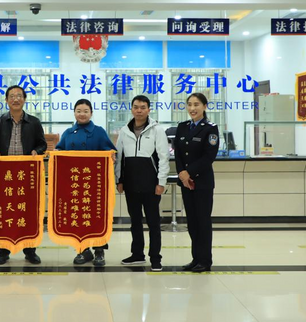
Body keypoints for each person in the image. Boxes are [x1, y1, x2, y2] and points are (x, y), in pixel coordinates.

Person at [0, 85, 47, 265]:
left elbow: (42, 144)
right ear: (6, 100)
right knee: (5, 210)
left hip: (26, 175)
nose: (15, 99)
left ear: (24, 99)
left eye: (19, 96)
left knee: (28, 211)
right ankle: (3, 250)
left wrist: (37, 151)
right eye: (12, 96)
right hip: (4, 174)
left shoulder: (34, 122)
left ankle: (30, 250)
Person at [56, 98, 116, 267]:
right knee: (78, 215)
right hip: (75, 184)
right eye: (79, 111)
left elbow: (109, 151)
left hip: (94, 184)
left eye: (85, 111)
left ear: (91, 113)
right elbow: (60, 150)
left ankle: (99, 250)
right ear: (74, 113)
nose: (82, 114)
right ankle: (82, 249)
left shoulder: (99, 132)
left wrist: (111, 155)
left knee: (97, 217)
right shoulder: (68, 132)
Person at [114, 95, 170, 272]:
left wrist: (161, 182)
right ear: (131, 109)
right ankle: (137, 254)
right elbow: (119, 158)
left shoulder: (157, 130)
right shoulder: (124, 131)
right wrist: (119, 180)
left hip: (151, 184)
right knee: (135, 221)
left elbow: (163, 157)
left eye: (143, 107)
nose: (139, 110)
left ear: (148, 109)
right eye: (136, 107)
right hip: (131, 184)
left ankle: (155, 258)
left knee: (153, 222)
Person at [173, 92, 219, 273]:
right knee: (192, 222)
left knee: (203, 222)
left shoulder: (210, 129)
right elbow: (178, 153)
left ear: (204, 107)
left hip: (202, 183)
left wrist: (189, 172)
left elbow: (209, 156)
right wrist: (182, 174)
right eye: (190, 104)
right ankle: (196, 258)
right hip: (186, 182)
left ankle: (205, 260)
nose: (192, 108)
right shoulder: (182, 126)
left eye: (196, 104)